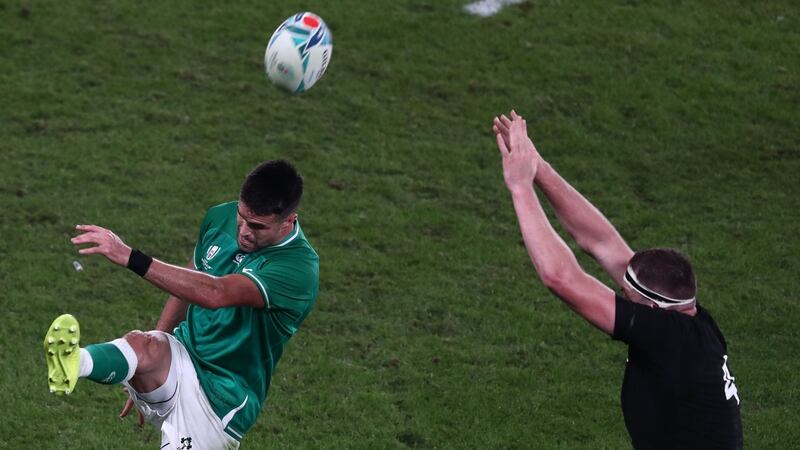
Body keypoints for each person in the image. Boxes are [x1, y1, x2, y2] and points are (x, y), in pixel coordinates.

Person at [492, 111, 742, 449]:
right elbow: (602, 242)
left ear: (653, 309)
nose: (621, 299)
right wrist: (539, 169)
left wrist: (521, 188)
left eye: (627, 295)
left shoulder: (670, 338)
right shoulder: (689, 321)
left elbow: (560, 278)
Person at [44, 159, 319, 449]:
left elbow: (215, 293)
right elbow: (189, 285)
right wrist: (139, 365)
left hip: (221, 401)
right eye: (241, 217)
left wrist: (131, 257)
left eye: (257, 226)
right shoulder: (220, 217)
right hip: (183, 356)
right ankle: (73, 362)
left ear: (288, 221)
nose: (244, 230)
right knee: (141, 343)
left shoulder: (298, 269)